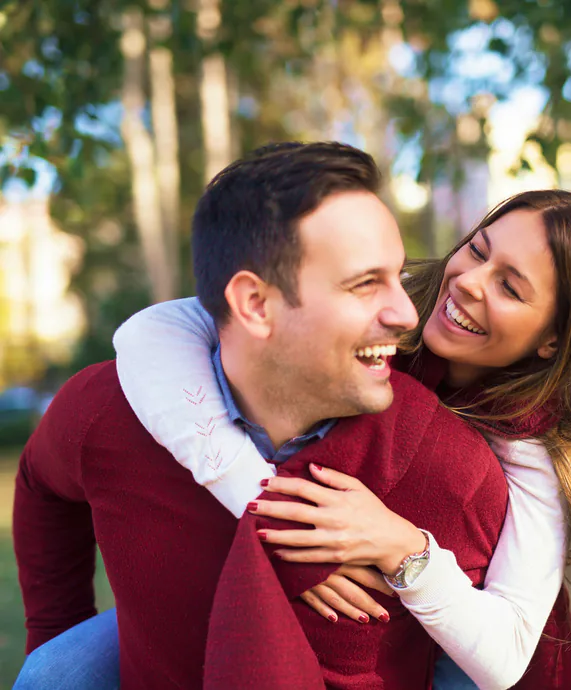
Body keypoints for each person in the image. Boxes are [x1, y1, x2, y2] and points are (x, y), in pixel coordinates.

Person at [112, 189, 571, 687]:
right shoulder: (388, 304)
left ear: (553, 340)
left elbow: (505, 653)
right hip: (281, 585)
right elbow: (156, 329)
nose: (469, 282)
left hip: (446, 654)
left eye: (511, 288)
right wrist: (257, 497)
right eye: (477, 249)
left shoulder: (531, 452)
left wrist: (400, 548)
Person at [12, 142, 526, 689]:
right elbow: (41, 485)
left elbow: (474, 668)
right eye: (364, 284)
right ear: (255, 305)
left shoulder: (450, 470)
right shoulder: (106, 412)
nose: (404, 313)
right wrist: (56, 653)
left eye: (398, 276)